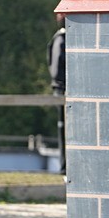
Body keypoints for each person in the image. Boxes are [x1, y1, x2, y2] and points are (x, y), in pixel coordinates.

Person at [49, 12, 66, 173]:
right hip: (62, 90)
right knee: (63, 127)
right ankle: (64, 166)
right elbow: (56, 72)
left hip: (61, 88)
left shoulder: (61, 38)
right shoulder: (62, 39)